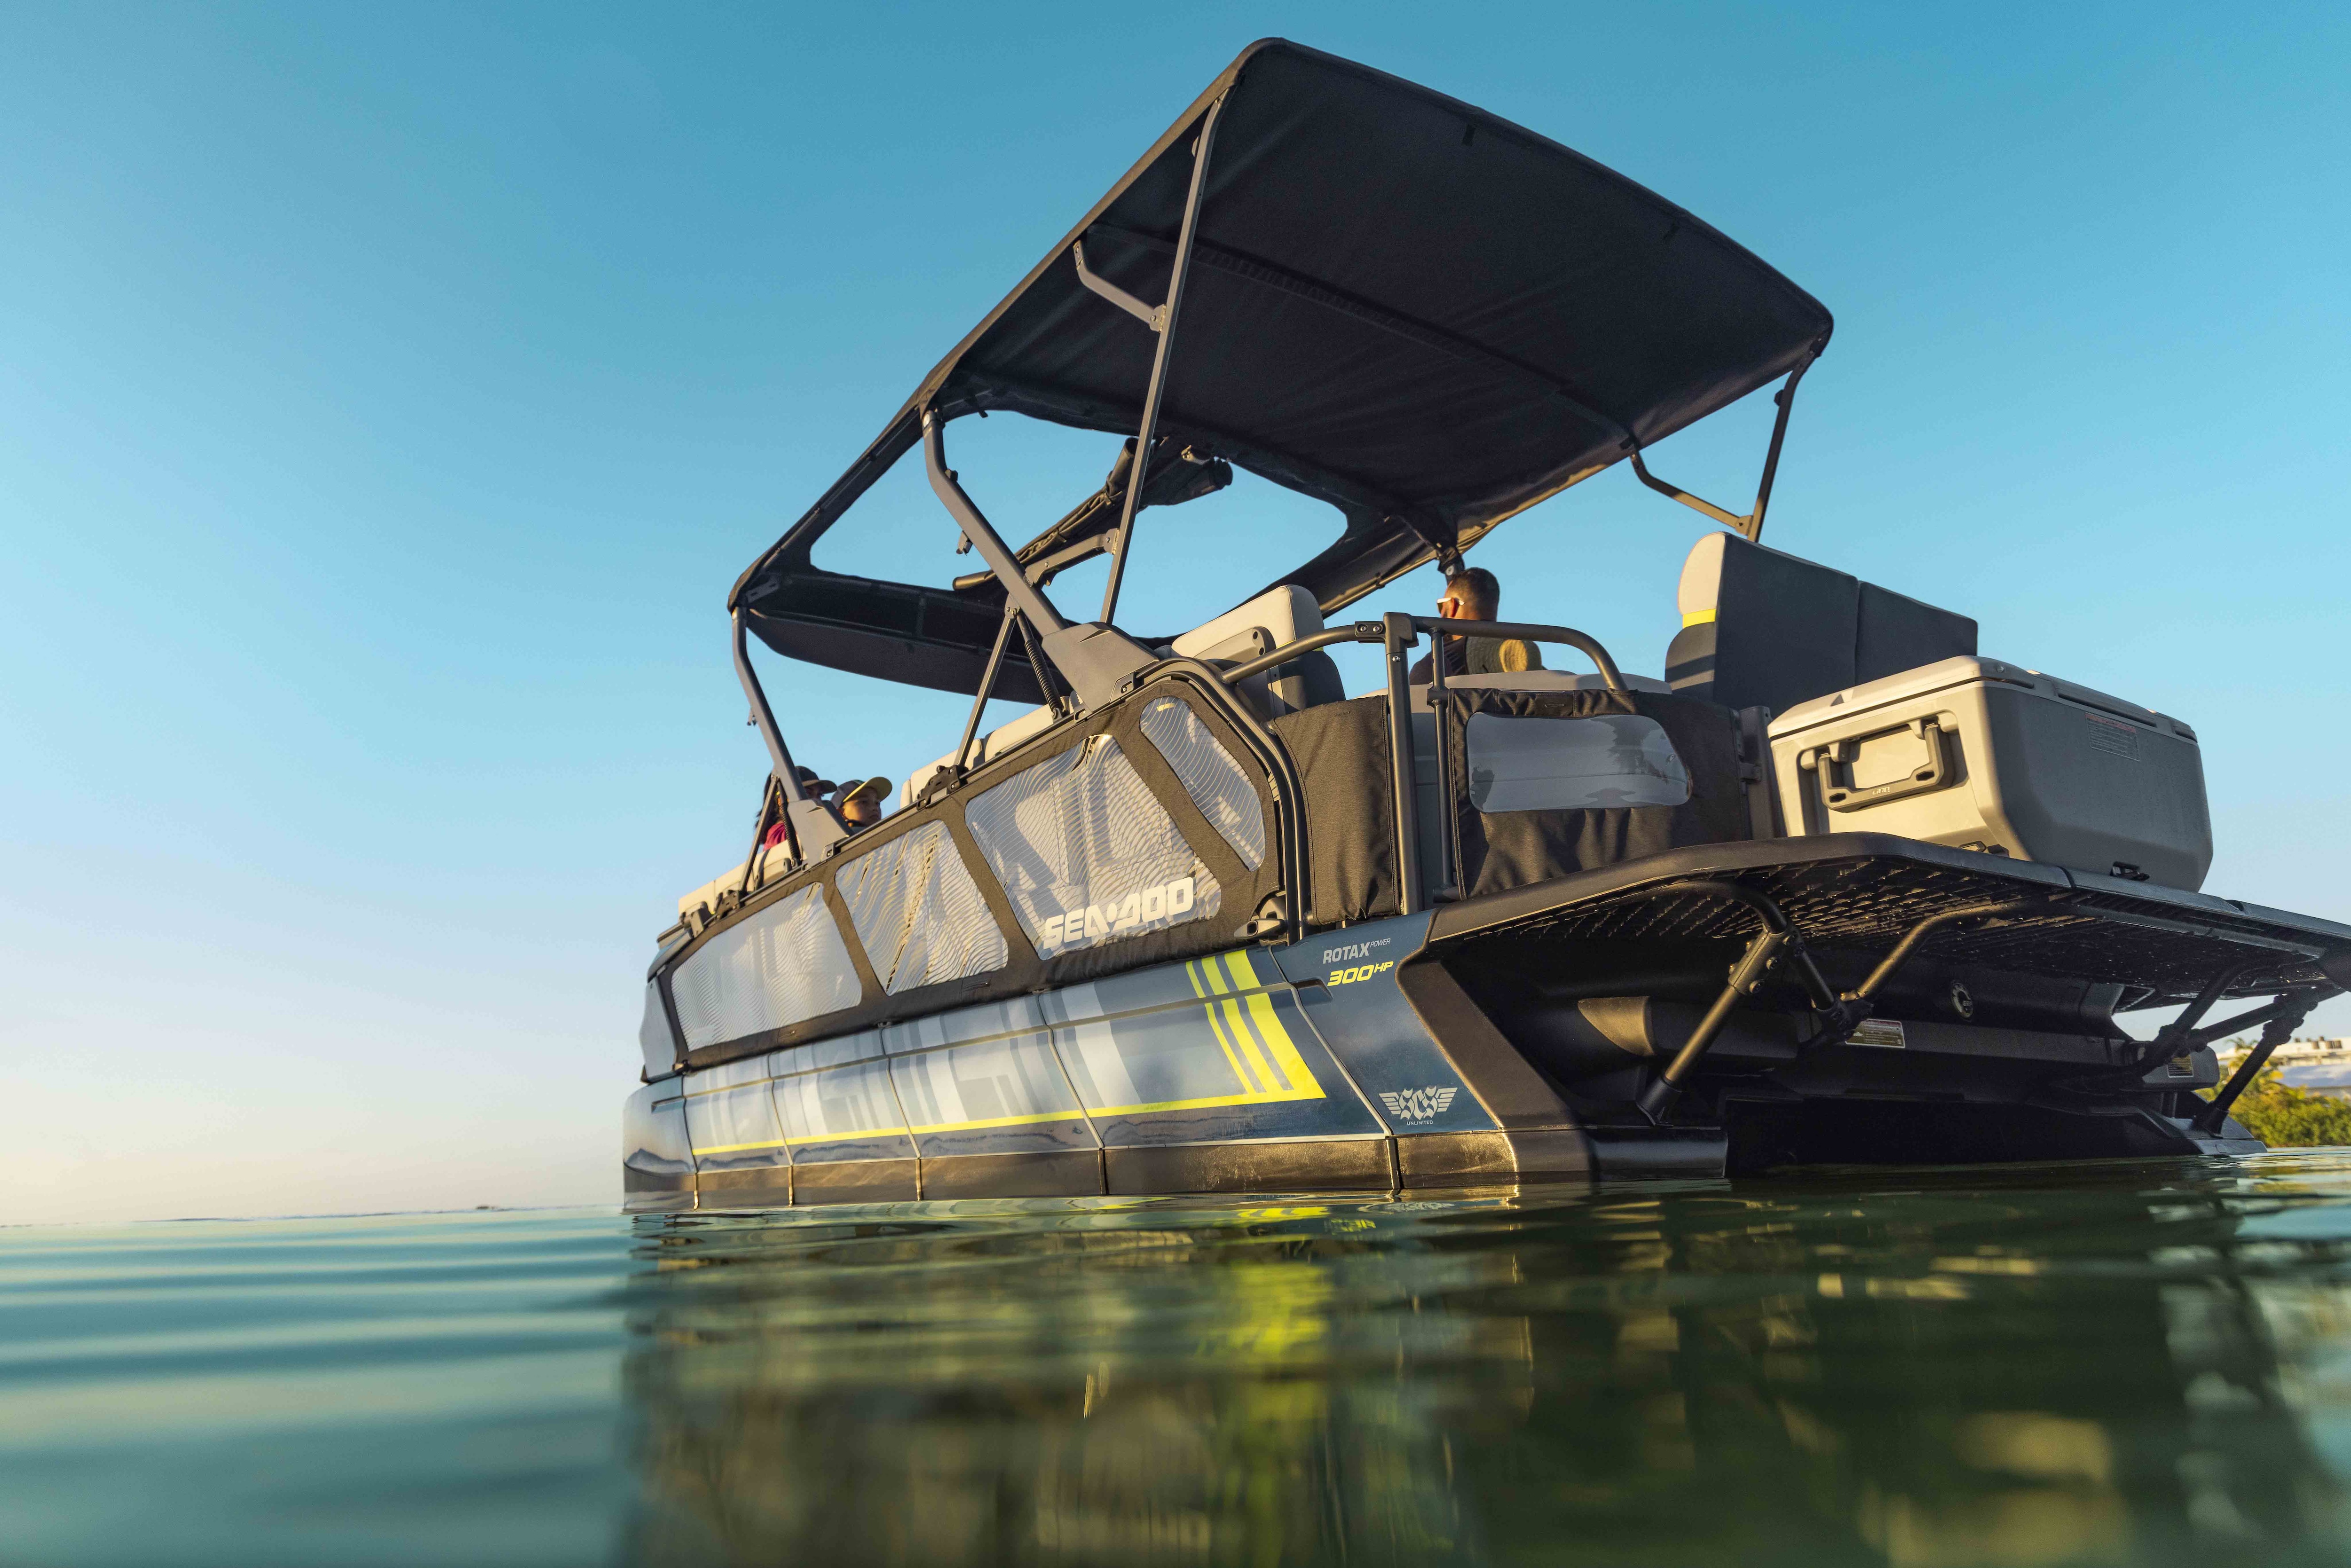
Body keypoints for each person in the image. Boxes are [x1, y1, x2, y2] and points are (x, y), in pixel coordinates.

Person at [1409, 565, 1543, 680]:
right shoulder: (1535, 665)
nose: (1441, 613)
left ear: (1452, 605)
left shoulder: (1436, 666)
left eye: (1441, 606)